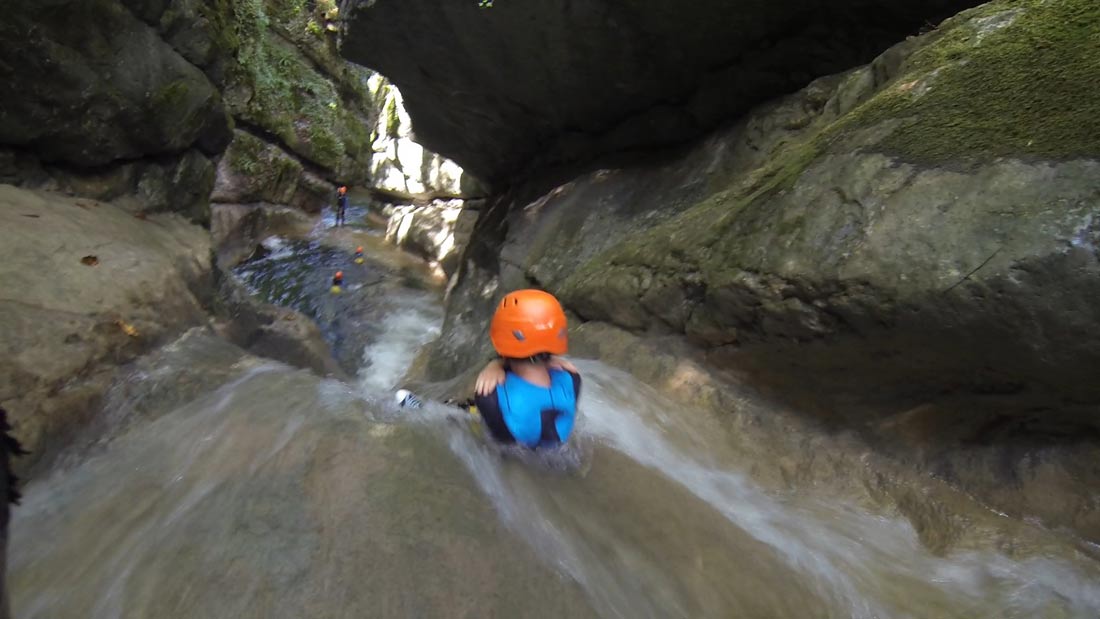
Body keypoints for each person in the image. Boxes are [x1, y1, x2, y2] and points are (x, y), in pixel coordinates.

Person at [471, 289, 580, 449]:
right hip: (556, 455)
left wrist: (494, 365)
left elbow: (495, 438)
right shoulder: (571, 378)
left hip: (511, 456)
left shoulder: (490, 395)